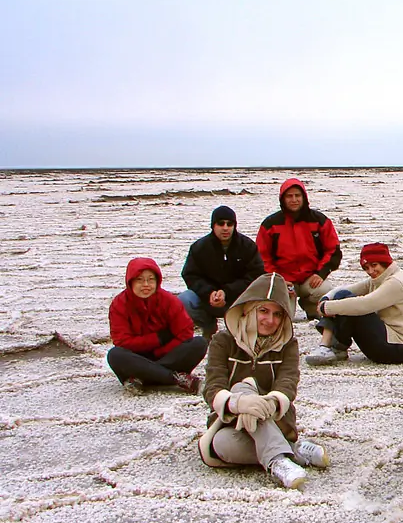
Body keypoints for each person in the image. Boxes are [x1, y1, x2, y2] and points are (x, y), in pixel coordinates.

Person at [199, 272, 329, 489]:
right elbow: (213, 386)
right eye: (263, 311)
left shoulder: (288, 344)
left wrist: (268, 403)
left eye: (278, 314)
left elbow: (288, 383)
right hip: (233, 422)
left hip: (276, 420)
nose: (270, 320)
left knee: (244, 386)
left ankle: (277, 460)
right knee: (221, 444)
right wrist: (239, 404)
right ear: (249, 309)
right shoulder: (223, 341)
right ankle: (291, 451)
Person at [306, 242, 403, 366]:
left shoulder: (396, 282)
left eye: (374, 265)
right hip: (391, 341)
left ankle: (332, 346)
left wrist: (327, 307)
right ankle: (330, 346)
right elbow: (348, 289)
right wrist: (326, 297)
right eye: (366, 268)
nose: (371, 271)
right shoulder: (380, 278)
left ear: (384, 262)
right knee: (343, 296)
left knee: (352, 305)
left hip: (402, 348)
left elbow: (366, 304)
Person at [107, 258, 208, 395]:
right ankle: (175, 378)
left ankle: (142, 377)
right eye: (140, 280)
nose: (146, 284)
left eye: (151, 279)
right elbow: (122, 341)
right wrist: (158, 339)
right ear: (130, 281)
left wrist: (159, 351)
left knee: (199, 343)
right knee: (115, 354)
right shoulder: (119, 304)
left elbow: (185, 333)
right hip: (136, 357)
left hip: (167, 355)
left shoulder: (169, 301)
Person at [256, 178, 342, 320]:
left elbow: (333, 250)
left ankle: (310, 306)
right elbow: (262, 256)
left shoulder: (319, 220)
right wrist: (276, 278)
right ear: (282, 199)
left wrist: (321, 273)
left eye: (297, 195)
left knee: (326, 292)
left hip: (311, 277)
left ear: (304, 197)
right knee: (282, 315)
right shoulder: (270, 224)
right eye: (289, 196)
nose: (294, 200)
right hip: (283, 280)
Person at [179, 205, 265, 340]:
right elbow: (190, 275)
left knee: (260, 299)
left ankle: (240, 331)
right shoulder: (199, 247)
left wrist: (227, 291)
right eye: (221, 223)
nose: (225, 228)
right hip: (208, 298)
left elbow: (256, 275)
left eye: (230, 224)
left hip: (238, 297)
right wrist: (209, 293)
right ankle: (208, 326)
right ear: (213, 225)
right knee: (184, 299)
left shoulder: (247, 246)